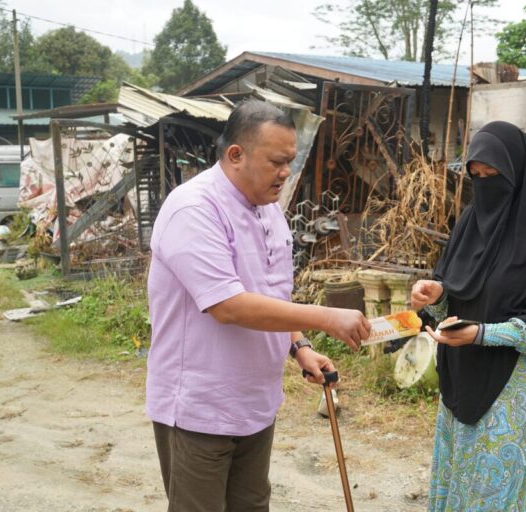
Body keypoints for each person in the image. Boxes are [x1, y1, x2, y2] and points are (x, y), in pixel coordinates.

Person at [146, 99, 371, 512]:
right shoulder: (194, 209)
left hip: (254, 402)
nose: (286, 172)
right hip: (201, 407)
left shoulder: (269, 211)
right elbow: (228, 305)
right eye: (277, 161)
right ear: (236, 154)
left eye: (290, 160)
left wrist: (299, 346)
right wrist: (325, 318)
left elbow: (272, 294)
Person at [411, 121, 526, 511]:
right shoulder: (472, 222)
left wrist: (484, 334)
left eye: (492, 175)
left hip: (523, 385)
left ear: (518, 171)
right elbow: (457, 286)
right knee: (465, 477)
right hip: (465, 371)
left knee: (505, 488)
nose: (484, 185)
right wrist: (438, 293)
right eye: (476, 176)